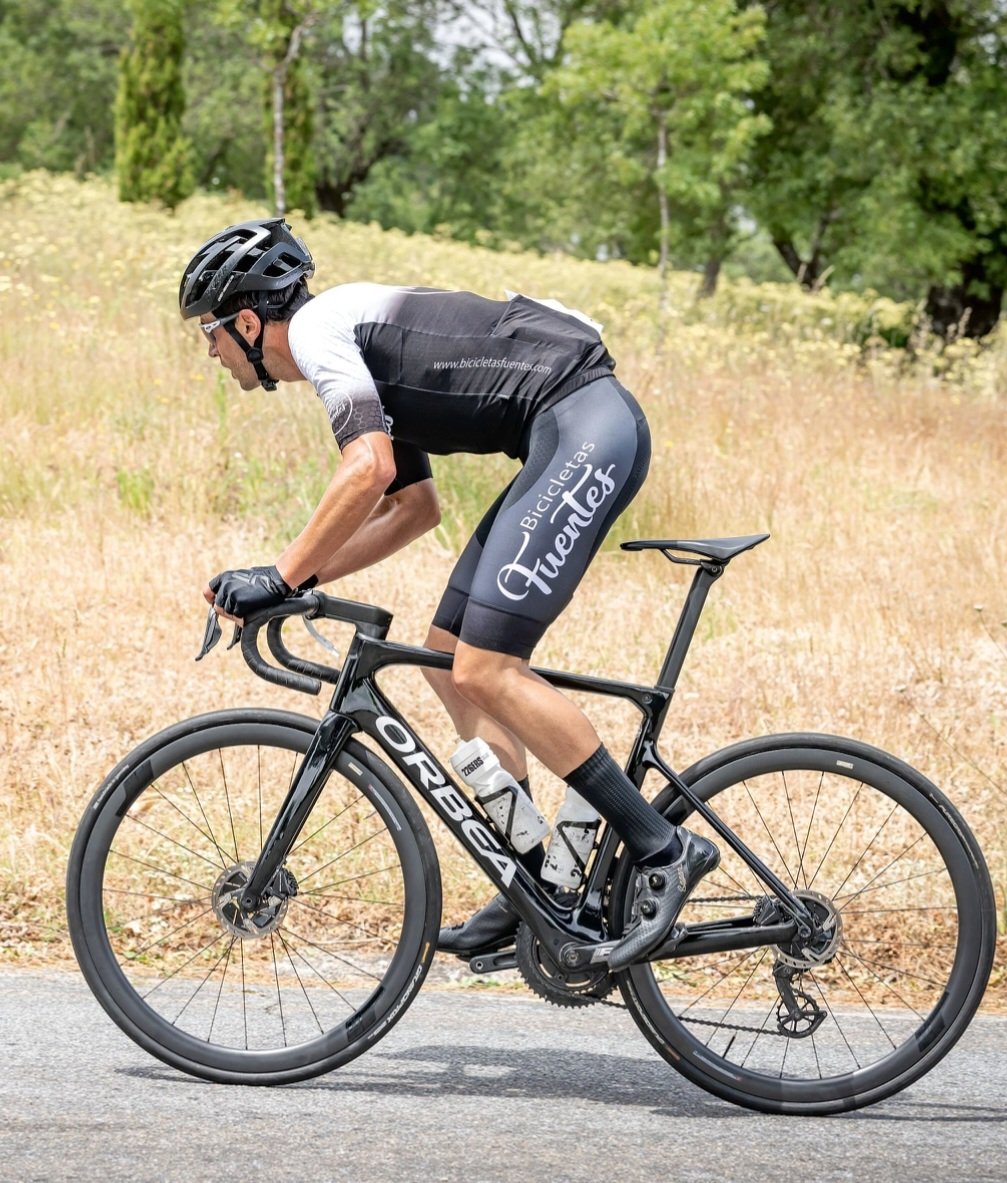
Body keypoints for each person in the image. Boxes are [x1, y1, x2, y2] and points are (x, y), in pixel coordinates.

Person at [180, 217, 718, 972]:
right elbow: (411, 506)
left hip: (586, 423)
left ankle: (665, 847)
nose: (208, 350)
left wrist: (281, 574)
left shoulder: (317, 334)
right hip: (565, 431)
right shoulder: (351, 345)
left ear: (246, 320)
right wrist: (298, 583)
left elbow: (364, 470)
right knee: (445, 659)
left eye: (209, 331)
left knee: (485, 666)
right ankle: (538, 876)